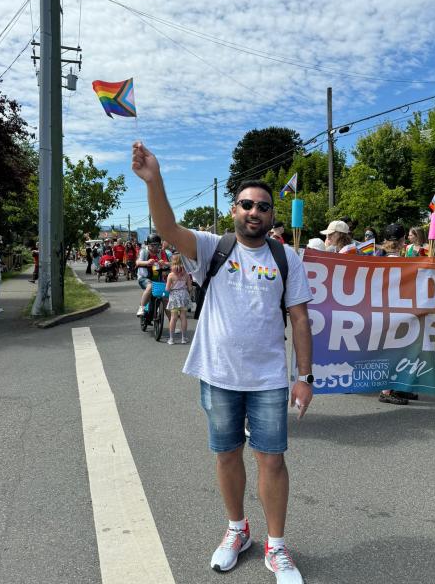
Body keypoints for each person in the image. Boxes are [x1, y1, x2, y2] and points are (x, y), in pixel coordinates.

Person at [132, 141, 313, 584]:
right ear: (234, 209)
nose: (255, 212)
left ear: (272, 215)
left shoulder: (285, 258)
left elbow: (301, 317)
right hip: (218, 375)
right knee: (228, 455)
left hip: (269, 378)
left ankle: (276, 545)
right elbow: (168, 227)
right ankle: (238, 531)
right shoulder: (213, 247)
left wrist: (304, 377)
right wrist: (155, 180)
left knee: (272, 461)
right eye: (247, 204)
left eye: (264, 207)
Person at [377, 224, 418, 405]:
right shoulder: (402, 263)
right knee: (396, 350)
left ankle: (398, 386)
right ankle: (386, 391)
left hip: (384, 310)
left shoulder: (378, 259)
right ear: (402, 241)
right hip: (397, 311)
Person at [135, 234, 170, 318]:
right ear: (148, 245)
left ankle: (172, 325)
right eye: (152, 245)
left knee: (165, 297)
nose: (155, 247)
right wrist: (147, 262)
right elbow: (138, 262)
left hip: (158, 279)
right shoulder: (144, 251)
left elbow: (170, 264)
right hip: (144, 278)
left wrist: (165, 263)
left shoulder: (162, 252)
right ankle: (141, 308)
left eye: (157, 245)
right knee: (150, 286)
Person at [165, 253, 193, 344]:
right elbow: (190, 288)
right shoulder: (186, 274)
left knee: (173, 318)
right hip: (184, 295)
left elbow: (167, 289)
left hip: (174, 296)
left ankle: (171, 339)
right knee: (183, 317)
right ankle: (183, 338)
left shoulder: (171, 275)